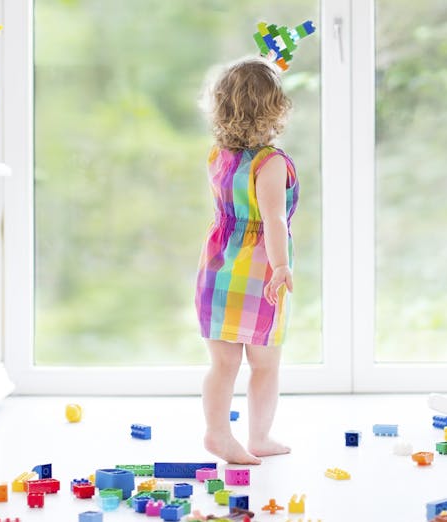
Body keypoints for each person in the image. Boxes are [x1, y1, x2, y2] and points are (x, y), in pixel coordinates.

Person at [195, 56, 299, 465]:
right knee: (265, 363)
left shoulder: (219, 156)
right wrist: (281, 266)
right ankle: (258, 435)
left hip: (217, 270)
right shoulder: (269, 162)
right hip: (257, 275)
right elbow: (272, 219)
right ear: (275, 109)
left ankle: (218, 433)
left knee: (222, 363)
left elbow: (231, 212)